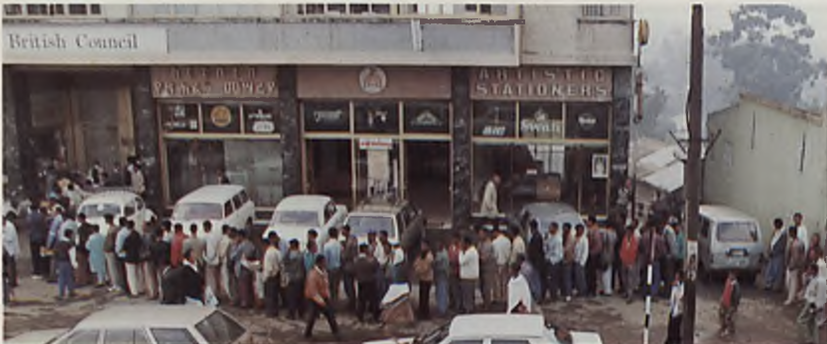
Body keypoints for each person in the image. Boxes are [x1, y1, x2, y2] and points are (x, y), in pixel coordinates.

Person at [304, 255, 341, 340]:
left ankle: (336, 332)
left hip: (322, 297)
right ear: (319, 263)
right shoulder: (313, 275)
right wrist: (322, 302)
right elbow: (313, 291)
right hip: (313, 298)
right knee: (312, 316)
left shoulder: (323, 272)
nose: (325, 263)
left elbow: (326, 286)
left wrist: (327, 296)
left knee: (330, 315)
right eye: (324, 262)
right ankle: (307, 333)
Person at [797, 261, 827, 344]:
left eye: (809, 270)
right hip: (813, 303)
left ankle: (808, 339)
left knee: (801, 320)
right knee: (813, 323)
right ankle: (814, 340)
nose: (807, 271)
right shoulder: (815, 279)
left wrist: (816, 308)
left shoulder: (819, 281)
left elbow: (819, 295)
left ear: (814, 270)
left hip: (812, 304)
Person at [354, 243, 380, 323]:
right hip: (370, 282)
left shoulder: (356, 260)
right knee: (373, 300)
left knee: (361, 300)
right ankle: (375, 317)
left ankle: (360, 317)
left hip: (360, 282)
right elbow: (376, 266)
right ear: (365, 250)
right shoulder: (370, 260)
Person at [284, 239, 306, 320]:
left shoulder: (290, 255)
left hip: (292, 278)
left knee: (291, 297)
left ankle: (291, 314)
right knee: (300, 297)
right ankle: (301, 313)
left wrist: (288, 251)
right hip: (300, 278)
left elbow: (284, 262)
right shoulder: (301, 255)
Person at [263, 232, 283, 318]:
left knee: (270, 295)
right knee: (274, 295)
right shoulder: (277, 252)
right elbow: (281, 265)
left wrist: (266, 276)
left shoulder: (269, 252)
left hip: (270, 276)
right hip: (276, 275)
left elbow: (268, 267)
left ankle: (270, 312)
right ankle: (274, 312)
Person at [123, 220, 145, 297]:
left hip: (129, 257)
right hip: (137, 257)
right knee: (139, 274)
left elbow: (124, 247)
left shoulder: (128, 238)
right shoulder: (138, 235)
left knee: (131, 275)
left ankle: (134, 292)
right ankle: (141, 289)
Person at [765, 218, 787, 291]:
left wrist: (774, 252)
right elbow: (771, 241)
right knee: (770, 270)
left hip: (778, 255)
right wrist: (769, 250)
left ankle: (776, 286)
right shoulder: (775, 232)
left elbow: (782, 246)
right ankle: (769, 284)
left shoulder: (783, 234)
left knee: (777, 270)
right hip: (772, 254)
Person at [414, 240, 434, 319]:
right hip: (421, 279)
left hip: (427, 279)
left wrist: (418, 270)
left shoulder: (429, 256)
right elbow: (415, 263)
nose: (422, 247)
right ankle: (421, 312)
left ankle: (426, 314)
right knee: (421, 297)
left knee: (425, 297)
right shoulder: (421, 255)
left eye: (424, 245)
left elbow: (426, 268)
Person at [27, 206, 49, 278]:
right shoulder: (41, 216)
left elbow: (27, 227)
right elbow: (45, 226)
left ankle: (36, 271)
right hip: (42, 238)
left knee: (34, 255)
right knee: (43, 255)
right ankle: (44, 271)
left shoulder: (29, 217)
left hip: (33, 239)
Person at [786, 226, 806, 306]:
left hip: (795, 265)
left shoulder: (798, 243)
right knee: (789, 282)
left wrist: (795, 265)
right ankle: (792, 297)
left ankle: (791, 299)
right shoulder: (791, 241)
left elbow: (798, 256)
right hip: (790, 264)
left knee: (793, 283)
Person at [54, 230, 77, 300]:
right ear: (70, 235)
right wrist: (74, 264)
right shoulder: (70, 243)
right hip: (67, 261)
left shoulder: (58, 243)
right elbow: (72, 254)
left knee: (61, 278)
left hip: (60, 262)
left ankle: (61, 293)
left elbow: (55, 253)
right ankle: (71, 291)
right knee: (69, 277)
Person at [459, 236, 479, 314]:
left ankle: (469, 311)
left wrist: (460, 251)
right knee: (468, 295)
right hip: (468, 277)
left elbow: (461, 261)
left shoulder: (470, 252)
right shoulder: (470, 251)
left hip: (468, 277)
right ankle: (469, 309)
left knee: (468, 296)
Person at [527, 221, 546, 303]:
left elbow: (535, 251)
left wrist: (532, 259)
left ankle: (538, 296)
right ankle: (537, 295)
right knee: (536, 279)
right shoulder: (536, 236)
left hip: (537, 262)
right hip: (536, 261)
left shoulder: (537, 237)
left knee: (537, 280)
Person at [544, 222, 564, 302]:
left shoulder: (558, 239)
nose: (549, 229)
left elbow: (558, 254)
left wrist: (551, 260)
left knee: (553, 280)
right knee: (550, 279)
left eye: (551, 227)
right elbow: (546, 248)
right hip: (549, 260)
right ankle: (552, 295)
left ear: (555, 229)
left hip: (554, 262)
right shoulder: (550, 237)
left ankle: (554, 296)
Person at [323, 227, 343, 305]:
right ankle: (335, 304)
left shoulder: (327, 245)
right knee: (335, 288)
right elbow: (341, 257)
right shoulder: (339, 245)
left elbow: (325, 259)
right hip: (338, 269)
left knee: (328, 288)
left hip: (329, 269)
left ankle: (329, 304)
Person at [149, 228, 171, 300]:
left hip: (157, 264)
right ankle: (166, 294)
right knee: (166, 279)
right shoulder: (167, 245)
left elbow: (152, 256)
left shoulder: (152, 245)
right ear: (162, 234)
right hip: (166, 264)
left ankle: (159, 295)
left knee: (159, 280)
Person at [492, 227, 512, 305]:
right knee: (505, 282)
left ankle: (498, 298)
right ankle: (505, 298)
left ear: (496, 233)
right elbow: (508, 253)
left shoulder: (494, 242)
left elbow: (495, 254)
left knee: (497, 282)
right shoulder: (508, 241)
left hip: (497, 263)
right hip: (505, 263)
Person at [620, 225, 640, 303]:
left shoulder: (635, 240)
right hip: (624, 261)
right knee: (624, 278)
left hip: (631, 261)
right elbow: (622, 249)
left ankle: (630, 295)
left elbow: (635, 251)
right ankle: (626, 292)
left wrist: (632, 260)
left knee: (630, 279)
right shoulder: (624, 239)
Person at [341, 225, 358, 311]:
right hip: (348, 265)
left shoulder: (351, 241)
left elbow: (347, 254)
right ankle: (351, 303)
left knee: (349, 286)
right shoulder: (348, 240)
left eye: (343, 231)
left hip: (349, 266)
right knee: (348, 286)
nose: (341, 232)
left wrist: (342, 251)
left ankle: (352, 304)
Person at [203, 221, 222, 301]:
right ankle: (217, 295)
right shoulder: (216, 236)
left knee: (211, 280)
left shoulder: (207, 237)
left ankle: (212, 296)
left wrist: (206, 258)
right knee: (216, 278)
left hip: (210, 261)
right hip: (217, 260)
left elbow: (210, 252)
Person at [477, 227, 496, 310]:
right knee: (482, 286)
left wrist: (478, 257)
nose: (480, 235)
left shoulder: (489, 244)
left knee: (486, 287)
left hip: (487, 268)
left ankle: (487, 305)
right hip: (481, 268)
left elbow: (484, 258)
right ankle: (484, 302)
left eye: (481, 234)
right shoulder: (480, 243)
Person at [719, 271, 741, 338]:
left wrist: (734, 306)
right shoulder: (728, 281)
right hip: (725, 302)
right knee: (722, 315)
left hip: (730, 305)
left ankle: (729, 331)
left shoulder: (735, 286)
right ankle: (724, 328)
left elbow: (737, 297)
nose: (729, 275)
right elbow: (725, 291)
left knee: (729, 318)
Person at [102, 214, 122, 292]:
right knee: (112, 269)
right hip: (109, 251)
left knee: (113, 269)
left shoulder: (113, 229)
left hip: (111, 251)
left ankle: (116, 284)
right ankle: (114, 283)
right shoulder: (112, 228)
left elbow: (111, 242)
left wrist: (108, 248)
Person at [665, 270, 685, 344]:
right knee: (671, 328)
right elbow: (672, 298)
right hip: (673, 310)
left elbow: (681, 297)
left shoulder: (682, 286)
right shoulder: (674, 286)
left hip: (678, 311)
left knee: (676, 329)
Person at [585, 216, 603, 297]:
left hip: (593, 254)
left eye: (588, 221)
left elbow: (596, 243)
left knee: (592, 274)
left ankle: (592, 290)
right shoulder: (591, 230)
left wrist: (592, 251)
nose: (587, 222)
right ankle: (590, 289)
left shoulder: (594, 231)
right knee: (590, 274)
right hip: (591, 253)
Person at [73, 213, 92, 287]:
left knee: (81, 266)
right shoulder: (90, 227)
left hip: (81, 248)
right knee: (87, 265)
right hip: (88, 248)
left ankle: (81, 281)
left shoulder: (80, 229)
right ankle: (88, 279)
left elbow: (79, 239)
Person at [600, 223, 618, 296]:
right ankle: (608, 289)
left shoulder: (606, 233)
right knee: (609, 271)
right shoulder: (614, 234)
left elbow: (603, 244)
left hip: (606, 254)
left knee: (605, 273)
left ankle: (606, 289)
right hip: (612, 253)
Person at [114, 217, 131, 292]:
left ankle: (125, 288)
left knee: (123, 273)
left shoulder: (121, 233)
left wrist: (117, 252)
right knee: (129, 273)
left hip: (121, 255)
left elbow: (119, 245)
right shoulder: (129, 231)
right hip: (129, 254)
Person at [433, 241, 450, 317]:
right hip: (439, 275)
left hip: (442, 274)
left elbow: (436, 263)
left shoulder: (443, 254)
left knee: (442, 292)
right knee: (439, 292)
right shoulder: (439, 253)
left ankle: (442, 310)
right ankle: (441, 309)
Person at [3, 215, 20, 288]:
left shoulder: (10, 226)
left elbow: (9, 239)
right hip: (4, 247)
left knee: (11, 266)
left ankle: (12, 282)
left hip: (10, 248)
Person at [448, 233, 463, 312]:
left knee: (457, 289)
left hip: (458, 271)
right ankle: (453, 304)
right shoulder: (451, 247)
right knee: (452, 289)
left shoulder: (460, 248)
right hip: (451, 271)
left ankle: (459, 305)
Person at [574, 224, 589, 298]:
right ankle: (579, 290)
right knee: (577, 277)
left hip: (581, 261)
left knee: (581, 277)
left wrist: (582, 262)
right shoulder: (576, 238)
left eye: (580, 230)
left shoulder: (584, 239)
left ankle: (583, 291)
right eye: (577, 229)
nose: (579, 231)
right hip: (576, 260)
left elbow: (585, 251)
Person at [562, 223, 576, 302]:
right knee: (564, 277)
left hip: (568, 259)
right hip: (563, 259)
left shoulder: (571, 237)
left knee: (567, 277)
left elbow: (568, 249)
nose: (564, 229)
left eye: (565, 228)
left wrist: (561, 250)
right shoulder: (563, 236)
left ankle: (568, 294)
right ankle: (565, 292)